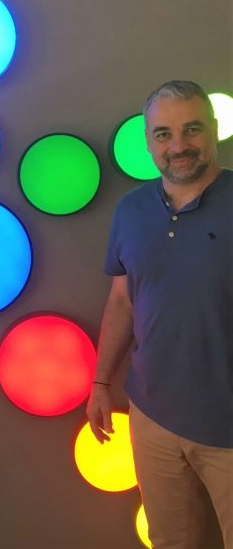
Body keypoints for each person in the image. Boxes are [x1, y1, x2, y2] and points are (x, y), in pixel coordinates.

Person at [87, 80, 233, 548]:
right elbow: (122, 301)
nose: (179, 146)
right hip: (152, 419)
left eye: (192, 129)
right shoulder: (130, 211)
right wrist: (100, 382)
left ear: (213, 130)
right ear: (148, 142)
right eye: (164, 134)